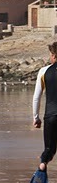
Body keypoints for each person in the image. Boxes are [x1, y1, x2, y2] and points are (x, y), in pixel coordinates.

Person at [33, 42, 57, 173]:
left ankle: (43, 164)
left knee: (49, 149)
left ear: (53, 55)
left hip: (51, 116)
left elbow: (37, 97)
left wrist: (36, 117)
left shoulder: (44, 71)